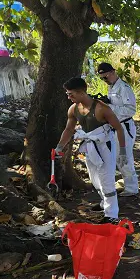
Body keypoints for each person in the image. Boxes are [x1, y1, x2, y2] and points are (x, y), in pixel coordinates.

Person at [55, 77, 126, 222]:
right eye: (67, 94)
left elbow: (118, 128)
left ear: (81, 92)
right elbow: (69, 129)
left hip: (105, 145)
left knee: (107, 179)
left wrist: (123, 151)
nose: (69, 97)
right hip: (89, 146)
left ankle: (112, 215)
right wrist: (59, 147)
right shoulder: (74, 109)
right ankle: (104, 202)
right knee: (94, 179)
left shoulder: (102, 108)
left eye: (71, 94)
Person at [97, 63, 139, 197]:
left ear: (112, 72)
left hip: (125, 126)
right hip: (115, 127)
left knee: (125, 156)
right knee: (117, 157)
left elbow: (130, 110)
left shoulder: (124, 88)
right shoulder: (112, 87)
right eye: (102, 78)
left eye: (105, 77)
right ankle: (128, 184)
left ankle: (132, 188)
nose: (105, 81)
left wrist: (109, 107)